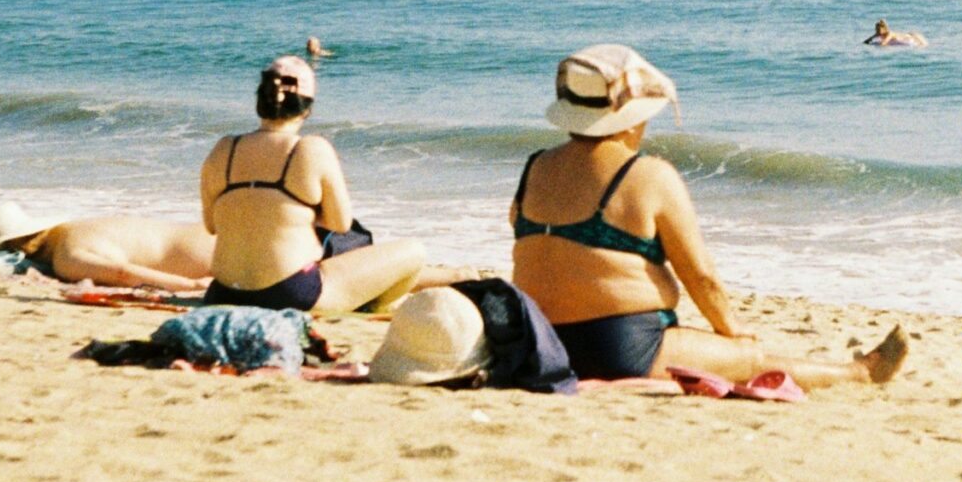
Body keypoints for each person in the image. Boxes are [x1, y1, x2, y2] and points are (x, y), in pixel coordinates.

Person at [509, 44, 909, 388]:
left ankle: (855, 370)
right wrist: (731, 330)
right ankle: (860, 372)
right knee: (749, 359)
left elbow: (537, 242)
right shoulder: (648, 175)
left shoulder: (536, 167)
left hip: (541, 344)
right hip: (622, 348)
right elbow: (700, 276)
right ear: (631, 118)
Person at [199, 55, 427, 315]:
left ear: (259, 101)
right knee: (414, 252)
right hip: (290, 293)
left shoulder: (224, 149)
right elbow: (341, 224)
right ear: (306, 109)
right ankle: (375, 307)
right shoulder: (311, 149)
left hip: (223, 293)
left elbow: (211, 225)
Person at [0, 202, 215, 291]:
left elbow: (122, 273)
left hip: (201, 259)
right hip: (204, 233)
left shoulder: (67, 258)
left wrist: (191, 285)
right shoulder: (76, 226)